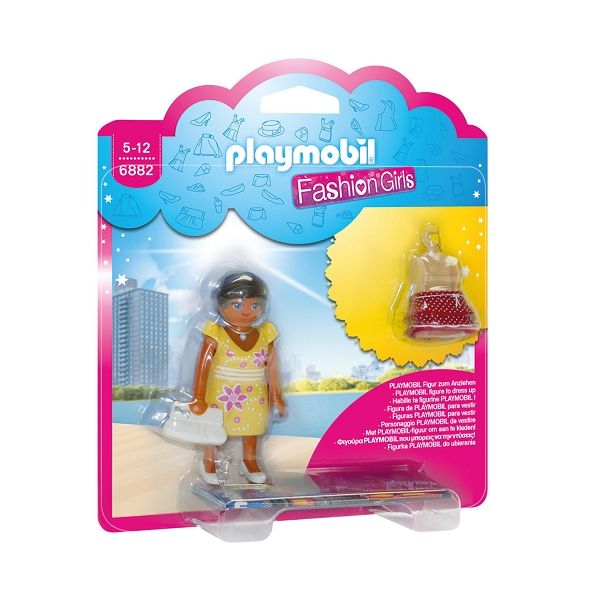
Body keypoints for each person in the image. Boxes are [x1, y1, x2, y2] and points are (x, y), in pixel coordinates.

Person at [189, 271, 286, 484]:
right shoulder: (216, 333)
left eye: (255, 305)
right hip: (221, 391)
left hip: (254, 392)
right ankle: (208, 459)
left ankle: (250, 460)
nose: (246, 311)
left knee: (253, 426)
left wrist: (276, 395)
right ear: (221, 305)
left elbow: (272, 368)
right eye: (237, 304)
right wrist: (198, 397)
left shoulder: (266, 334)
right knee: (214, 425)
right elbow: (202, 367)